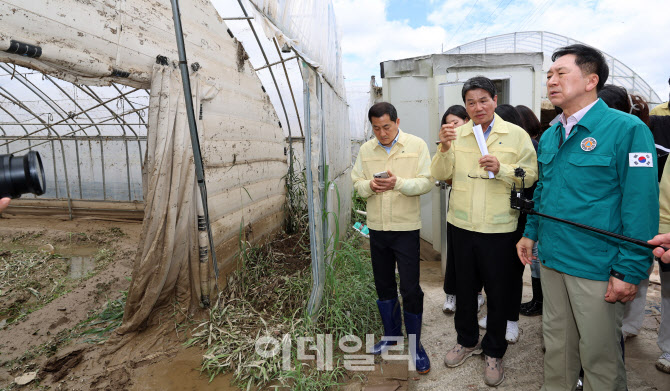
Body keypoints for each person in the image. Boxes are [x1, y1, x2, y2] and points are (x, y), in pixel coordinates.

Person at [517, 44, 659, 391]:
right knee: (557, 348)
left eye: (561, 73)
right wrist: (530, 232)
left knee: (600, 358)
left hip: (596, 265)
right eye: (549, 74)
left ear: (591, 80)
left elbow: (640, 204)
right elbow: (545, 191)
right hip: (551, 260)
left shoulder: (627, 130)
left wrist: (630, 270)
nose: (551, 80)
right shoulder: (552, 133)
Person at [432, 76, 537, 386]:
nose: (477, 107)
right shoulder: (457, 134)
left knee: (499, 291)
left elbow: (529, 176)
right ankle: (466, 341)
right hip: (462, 225)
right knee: (464, 289)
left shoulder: (515, 135)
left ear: (494, 99)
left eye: (483, 100)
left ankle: (494, 350)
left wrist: (501, 169)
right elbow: (439, 174)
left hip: (500, 228)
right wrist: (444, 147)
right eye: (470, 102)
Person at [351, 102, 433, 374]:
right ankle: (391, 335)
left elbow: (426, 182)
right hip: (377, 228)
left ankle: (415, 345)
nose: (382, 133)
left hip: (406, 228)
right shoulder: (366, 150)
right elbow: (356, 184)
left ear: (397, 122)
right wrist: (370, 186)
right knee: (383, 284)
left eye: (386, 126)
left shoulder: (416, 145)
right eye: (376, 128)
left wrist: (398, 183)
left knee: (410, 287)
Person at [440, 105, 485, 315]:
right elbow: (445, 177)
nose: (451, 127)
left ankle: (476, 294)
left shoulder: (482, 141)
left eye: (455, 122)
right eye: (447, 124)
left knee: (478, 256)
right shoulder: (448, 144)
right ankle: (451, 293)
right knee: (456, 255)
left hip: (483, 207)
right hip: (458, 206)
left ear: (467, 121)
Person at [515, 105, 543, 316]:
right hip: (533, 209)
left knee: (536, 260)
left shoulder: (531, 146)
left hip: (535, 210)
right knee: (534, 260)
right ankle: (537, 300)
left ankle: (539, 302)